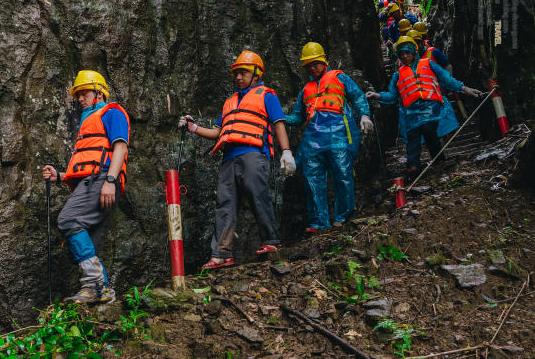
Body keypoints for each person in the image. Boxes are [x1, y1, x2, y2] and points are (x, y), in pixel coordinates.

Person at [179, 50, 295, 270]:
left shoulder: (267, 95)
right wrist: (193, 127)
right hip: (229, 158)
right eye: (236, 73)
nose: (239, 77)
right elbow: (218, 132)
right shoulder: (230, 101)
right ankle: (222, 254)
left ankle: (271, 241)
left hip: (254, 154)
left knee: (257, 195)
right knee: (224, 204)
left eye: (243, 73)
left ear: (256, 74)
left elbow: (279, 123)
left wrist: (286, 151)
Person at [42, 70, 129, 304]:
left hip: (102, 180)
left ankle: (95, 284)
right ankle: (101, 291)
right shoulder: (87, 120)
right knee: (89, 239)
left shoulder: (112, 112)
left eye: (84, 93)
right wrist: (59, 176)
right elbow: (85, 162)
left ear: (99, 93)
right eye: (78, 95)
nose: (80, 98)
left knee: (68, 220)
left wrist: (110, 180)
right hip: (92, 181)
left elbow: (120, 148)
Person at [286, 43, 373, 233]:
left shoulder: (339, 77)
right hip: (313, 141)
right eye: (308, 65)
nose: (312, 68)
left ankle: (344, 215)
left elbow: (357, 96)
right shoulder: (306, 89)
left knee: (342, 174)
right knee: (312, 178)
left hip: (338, 134)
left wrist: (364, 114)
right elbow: (298, 117)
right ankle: (319, 222)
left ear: (324, 62)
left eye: (315, 63)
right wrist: (278, 117)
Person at [366, 37, 482, 176]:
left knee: (428, 128)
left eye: (407, 53)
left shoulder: (429, 64)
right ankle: (413, 167)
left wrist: (464, 88)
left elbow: (446, 79)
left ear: (414, 52)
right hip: (411, 112)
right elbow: (392, 96)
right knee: (413, 136)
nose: (405, 56)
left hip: (432, 107)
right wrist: (376, 95)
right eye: (401, 54)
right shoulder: (398, 75)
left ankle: (438, 159)